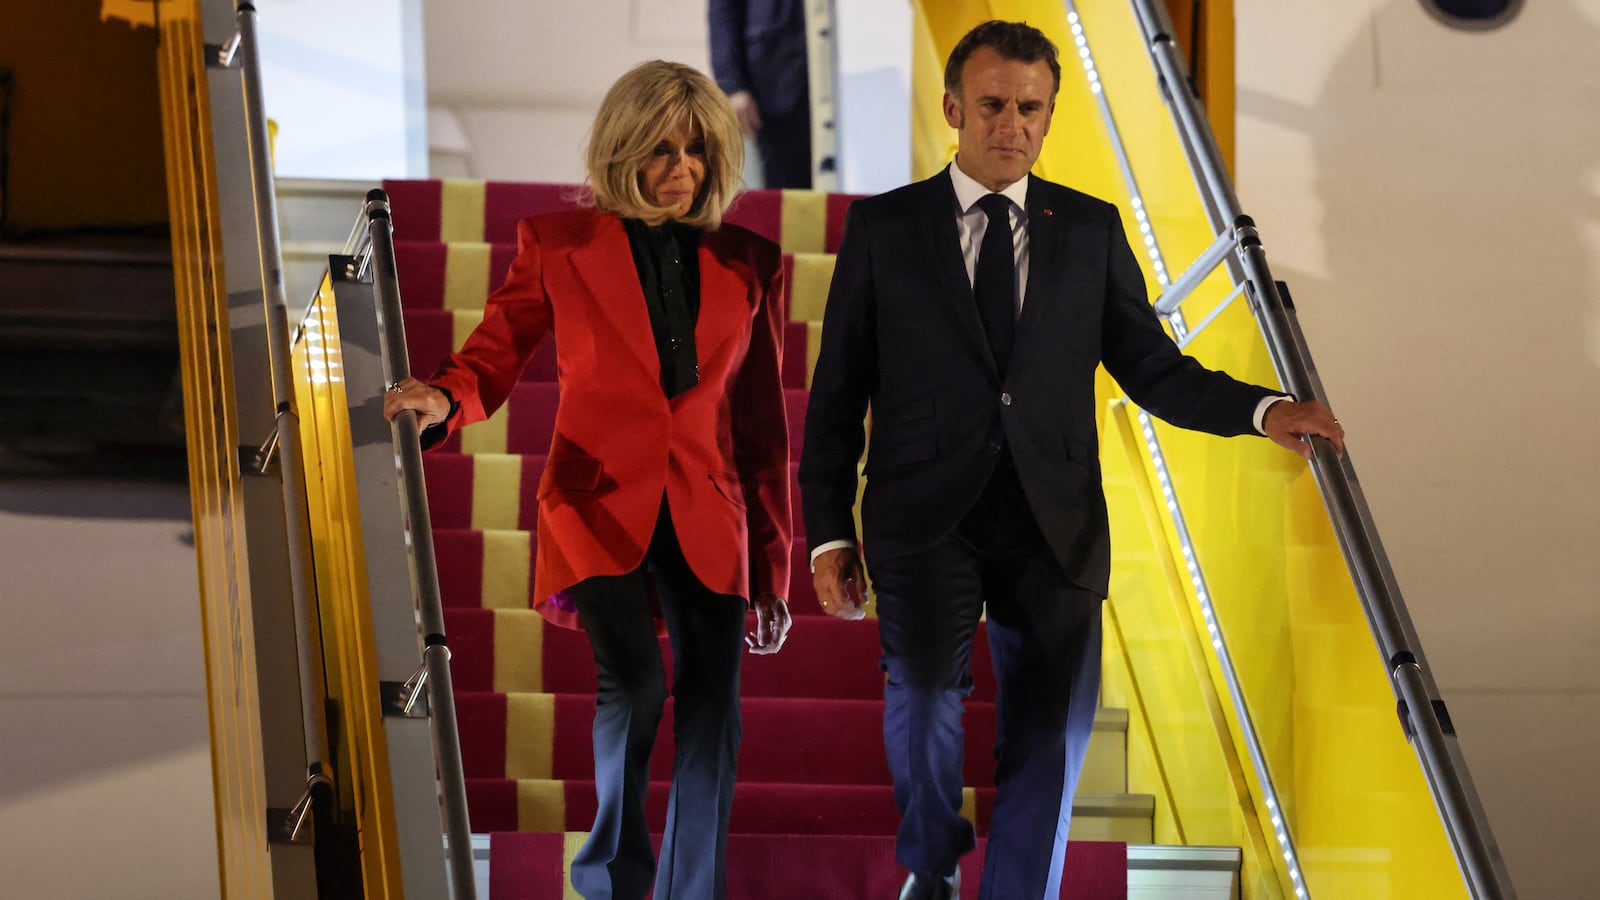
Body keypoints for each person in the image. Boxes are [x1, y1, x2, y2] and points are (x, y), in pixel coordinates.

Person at [799, 20, 1344, 900]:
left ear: (1047, 115)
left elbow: (1152, 365)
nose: (1010, 124)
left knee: (1054, 735)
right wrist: (828, 534)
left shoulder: (1088, 229)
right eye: (992, 105)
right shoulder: (885, 228)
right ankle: (931, 863)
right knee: (926, 704)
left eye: (1030, 108)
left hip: (1054, 522)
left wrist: (1261, 407)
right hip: (923, 516)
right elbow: (835, 397)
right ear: (953, 108)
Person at [384, 60, 793, 900]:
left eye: (697, 152)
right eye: (660, 151)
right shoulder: (557, 245)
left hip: (708, 512)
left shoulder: (752, 261)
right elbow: (494, 352)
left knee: (716, 708)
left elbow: (760, 429)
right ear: (622, 153)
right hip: (594, 502)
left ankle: (690, 890)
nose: (681, 170)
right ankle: (611, 877)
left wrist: (774, 565)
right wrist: (444, 399)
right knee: (636, 683)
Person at [708, 0, 812, 188]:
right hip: (774, 81)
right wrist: (732, 85)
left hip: (852, 78)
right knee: (785, 196)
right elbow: (723, 9)